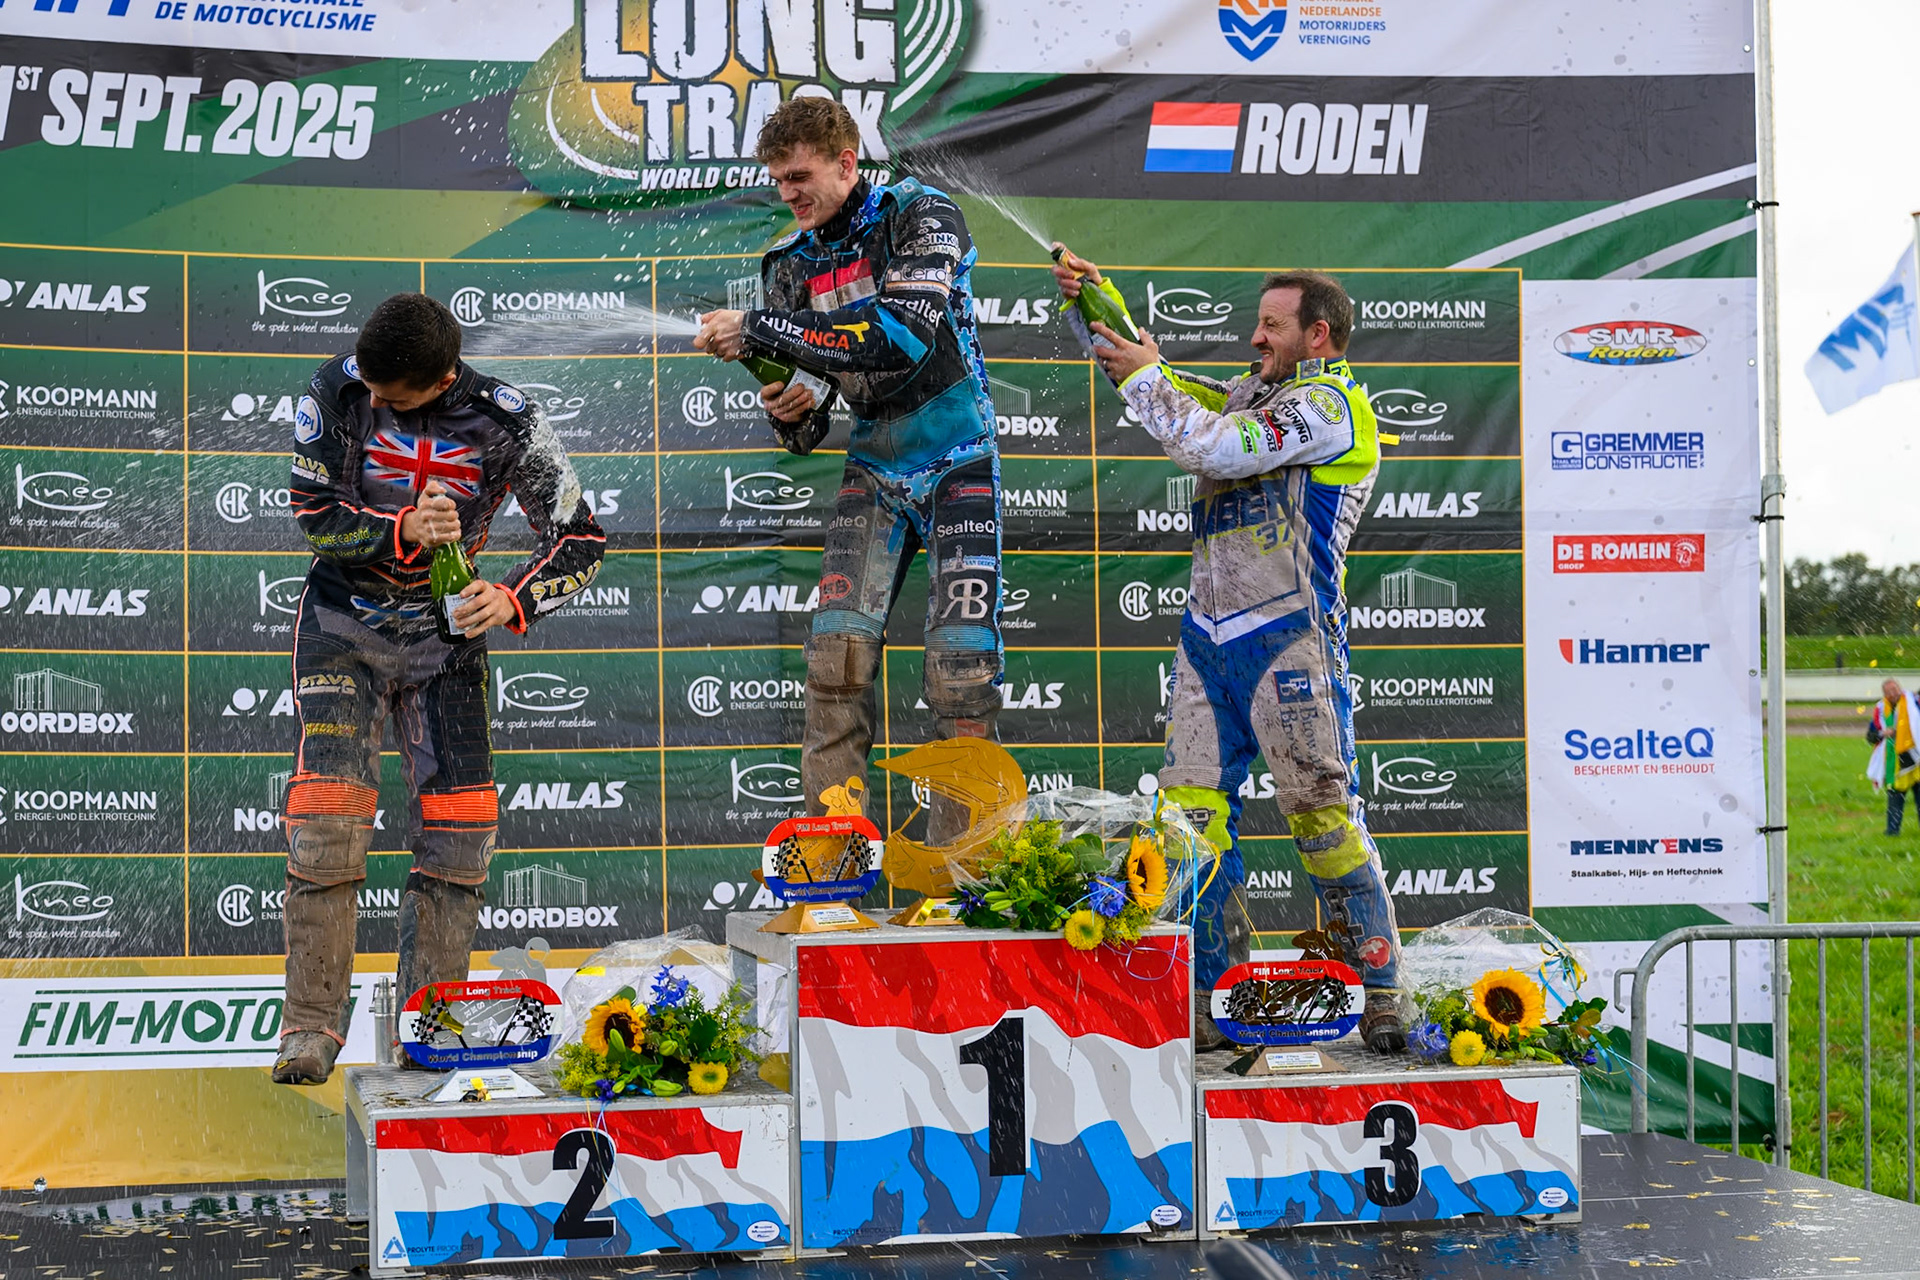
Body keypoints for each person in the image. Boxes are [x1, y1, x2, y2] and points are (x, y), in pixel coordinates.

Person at [1052, 249, 1405, 1053]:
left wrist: (1150, 376)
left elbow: (1208, 445)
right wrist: (1094, 302)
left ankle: (1382, 990)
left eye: (1271, 327)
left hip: (1291, 644)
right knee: (1188, 828)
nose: (1254, 339)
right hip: (1209, 645)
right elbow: (1163, 388)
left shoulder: (1333, 408)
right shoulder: (1255, 393)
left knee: (1321, 819)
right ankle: (1212, 998)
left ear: (1319, 336)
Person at [272, 293, 606, 1085]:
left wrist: (515, 597)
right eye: (373, 391)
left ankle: (433, 1024)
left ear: (441, 377)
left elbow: (583, 537)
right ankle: (311, 1027)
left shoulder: (510, 420)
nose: (376, 401)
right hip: (342, 624)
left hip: (447, 636)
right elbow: (312, 511)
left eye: (395, 398)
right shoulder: (338, 386)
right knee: (327, 819)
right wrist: (399, 532)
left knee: (460, 833)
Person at [694, 97, 1002, 834]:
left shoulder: (920, 214)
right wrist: (793, 409)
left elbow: (900, 336)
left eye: (800, 175)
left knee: (959, 673)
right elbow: (810, 416)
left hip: (958, 459)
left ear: (846, 161)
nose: (789, 193)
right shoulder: (790, 265)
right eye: (777, 180)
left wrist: (763, 327)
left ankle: (969, 877)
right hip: (875, 466)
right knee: (835, 666)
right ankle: (831, 875)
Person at [1867, 677, 1920, 835]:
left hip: (1916, 759)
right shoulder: (1881, 710)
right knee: (1895, 798)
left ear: (1900, 688)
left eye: (1895, 689)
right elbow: (1870, 736)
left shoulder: (1914, 703)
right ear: (1884, 694)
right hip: (1894, 762)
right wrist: (1884, 733)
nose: (1893, 693)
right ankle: (1892, 831)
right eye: (1889, 691)